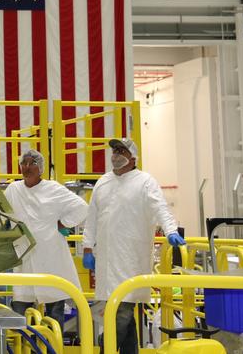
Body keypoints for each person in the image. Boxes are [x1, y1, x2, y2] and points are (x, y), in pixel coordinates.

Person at [83, 138, 182, 354]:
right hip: (106, 262)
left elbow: (160, 208)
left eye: (121, 151)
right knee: (119, 315)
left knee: (121, 314)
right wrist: (87, 247)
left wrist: (171, 230)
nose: (116, 155)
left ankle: (104, 350)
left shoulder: (145, 181)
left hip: (131, 261)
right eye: (114, 150)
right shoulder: (103, 182)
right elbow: (92, 217)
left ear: (133, 157)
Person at [5, 148, 89, 327]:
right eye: (24, 163)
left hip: (51, 258)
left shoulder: (53, 189)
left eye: (32, 163)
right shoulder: (13, 189)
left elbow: (82, 207)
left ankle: (53, 348)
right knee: (20, 311)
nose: (27, 167)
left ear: (41, 168)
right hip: (24, 257)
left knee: (54, 315)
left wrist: (63, 223)